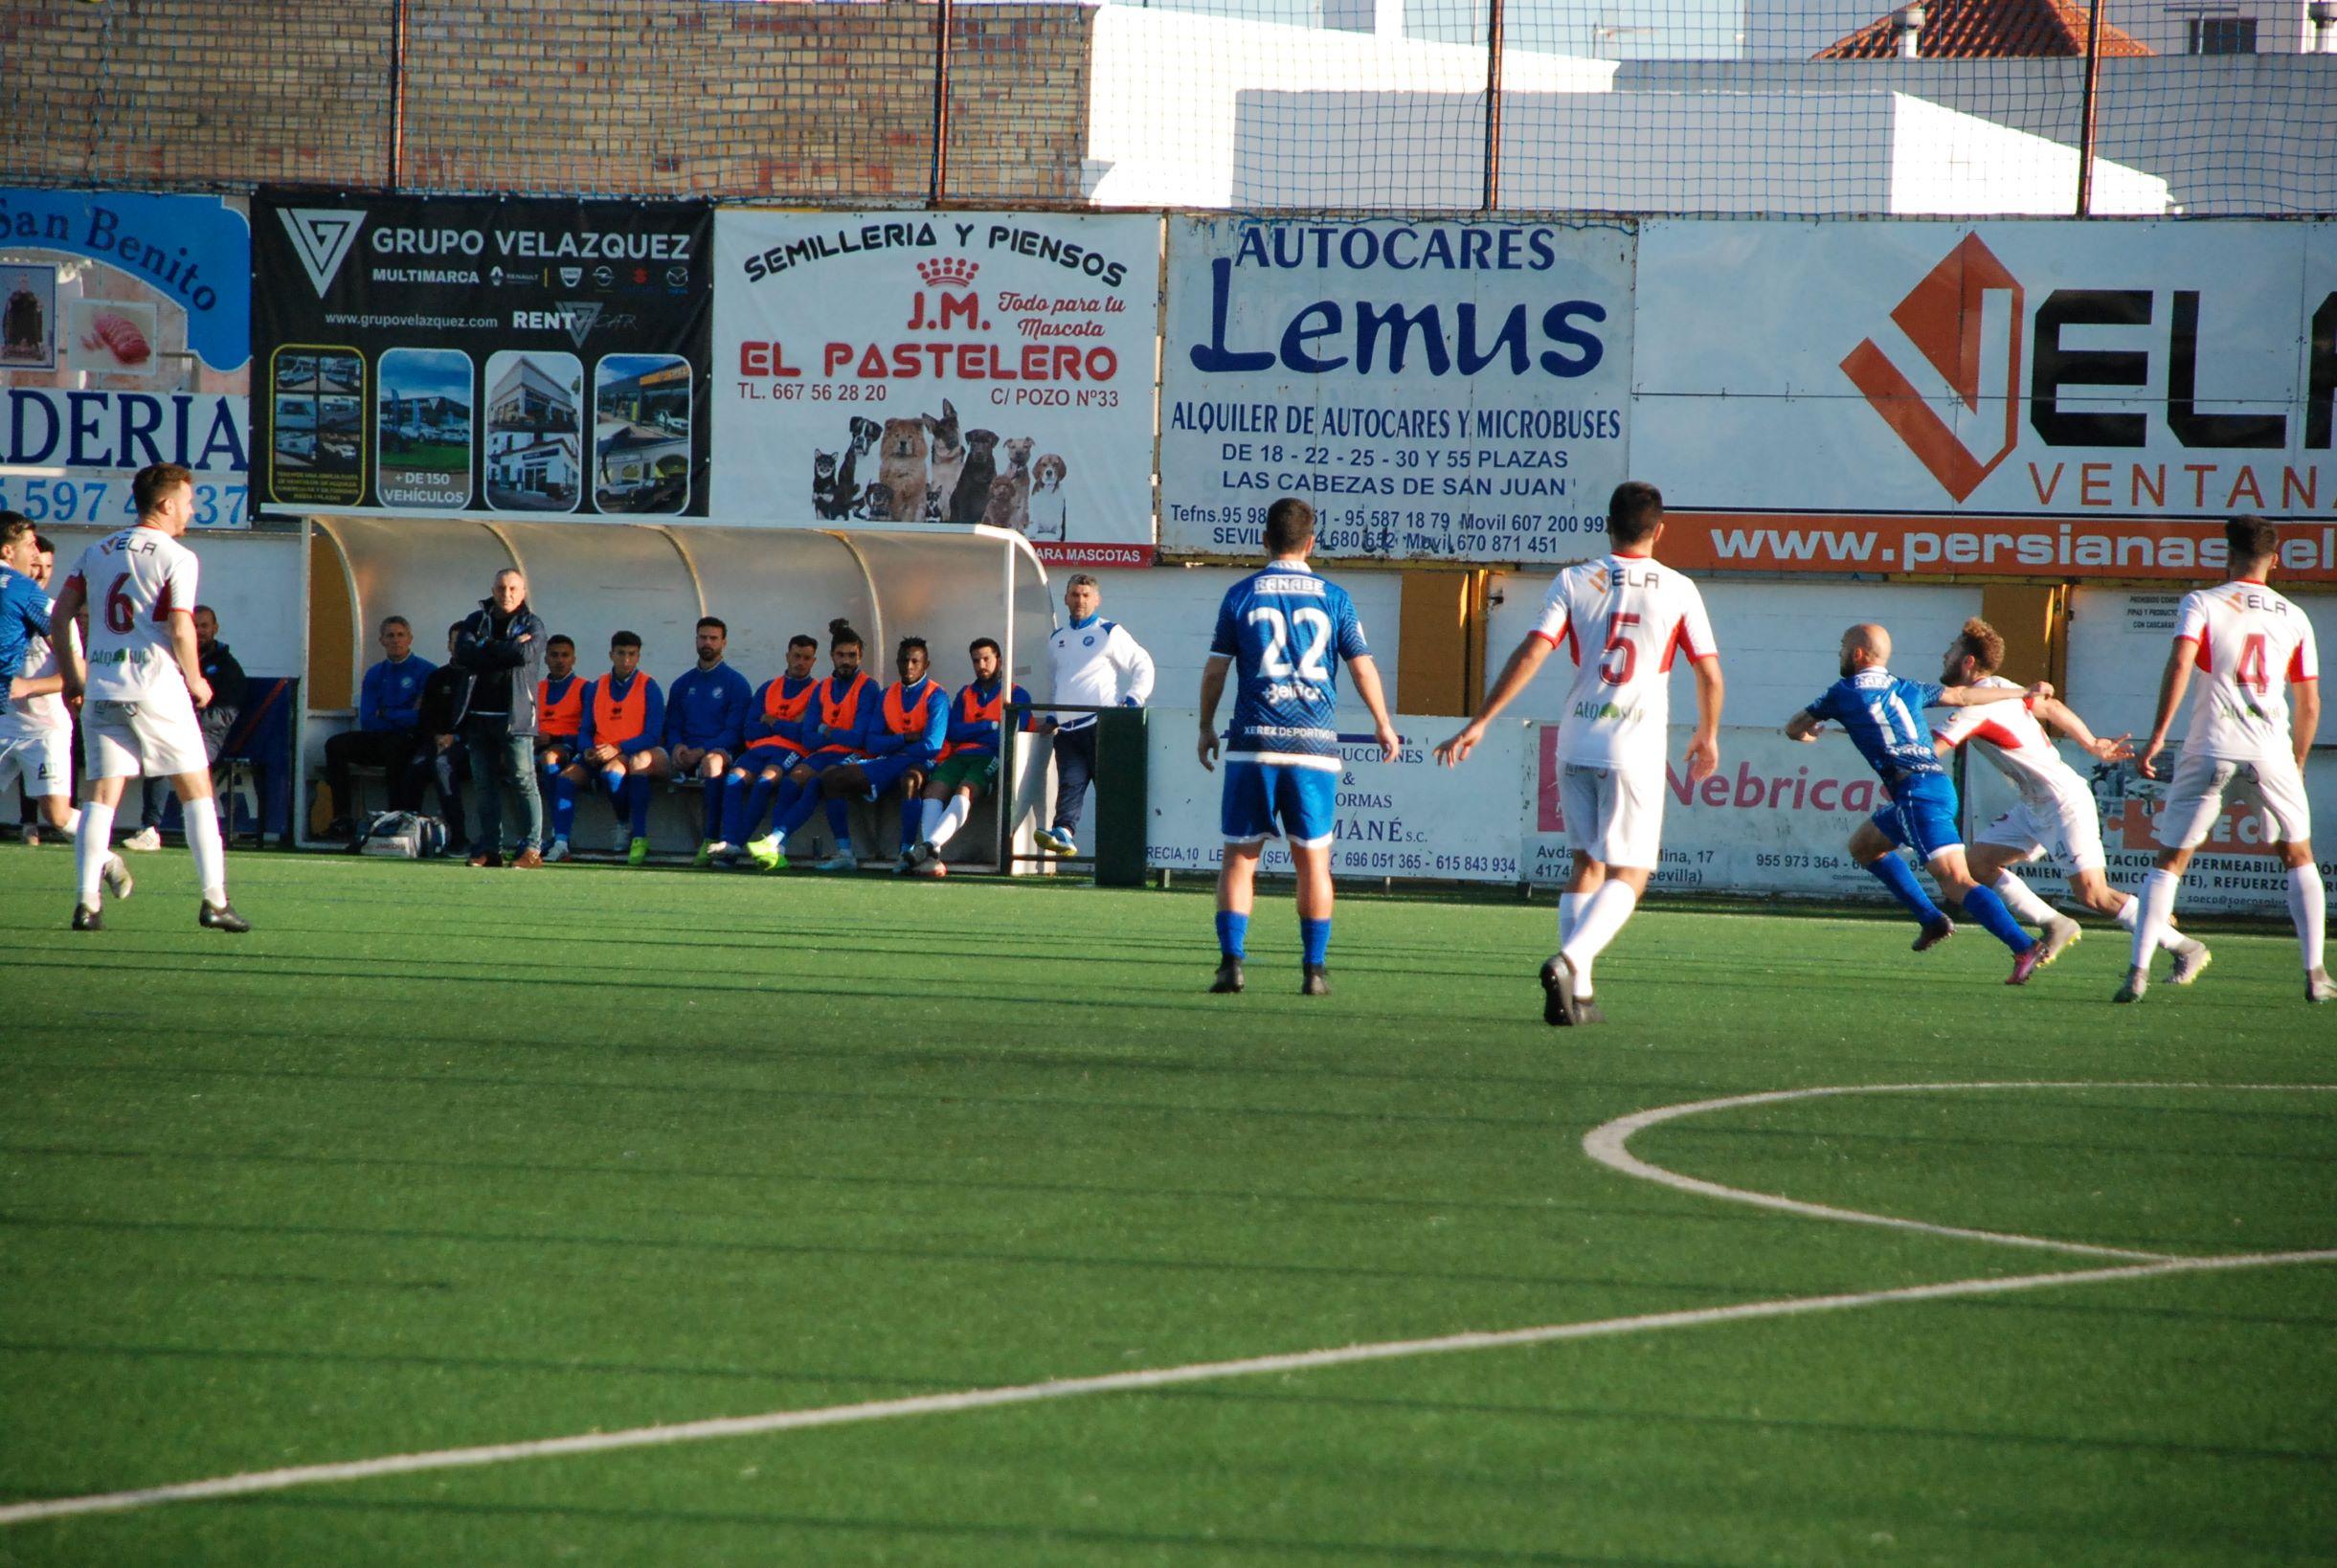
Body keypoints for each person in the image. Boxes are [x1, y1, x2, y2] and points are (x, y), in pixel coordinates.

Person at [1434, 481, 1724, 1025]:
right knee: (1631, 872)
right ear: (1660, 531)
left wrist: (1481, 722)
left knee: (1585, 864)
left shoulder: (1574, 579)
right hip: (1633, 746)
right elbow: (1707, 671)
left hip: (1575, 741)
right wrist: (1708, 734)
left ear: (1606, 525)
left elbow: (1532, 652)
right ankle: (1573, 959)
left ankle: (1580, 996)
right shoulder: (1680, 588)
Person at [2118, 516, 2327, 1004]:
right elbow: (2310, 704)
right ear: (2275, 560)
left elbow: (2181, 665)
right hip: (2270, 752)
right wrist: (2296, 762)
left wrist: (2157, 738)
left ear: (2227, 555)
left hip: (2210, 746)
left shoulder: (2203, 602)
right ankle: (2316, 974)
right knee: (2298, 856)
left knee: (2170, 861)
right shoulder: (2294, 616)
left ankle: (2138, 971)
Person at [1930, 616, 2210, 979]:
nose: (1944, 656)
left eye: (1951, 651)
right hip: (2034, 805)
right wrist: (2090, 742)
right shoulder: (2001, 688)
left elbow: (1933, 749)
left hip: (2063, 802)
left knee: (2094, 895)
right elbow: (2050, 707)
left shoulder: (1977, 708)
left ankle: (2186, 947)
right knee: (1977, 865)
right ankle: (2055, 923)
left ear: (1967, 662)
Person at [1198, 497, 1398, 997]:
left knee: (1240, 858)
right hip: (1313, 743)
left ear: (1264, 540)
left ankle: (1231, 965)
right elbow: (1361, 665)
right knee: (1313, 861)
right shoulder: (1334, 597)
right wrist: (1383, 722)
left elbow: (1217, 668)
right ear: (1311, 542)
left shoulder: (1240, 595)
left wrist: (1205, 726)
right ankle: (1313, 971)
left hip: (1253, 743)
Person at [1785, 623, 2051, 984]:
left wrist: (1808, 733)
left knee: (1956, 881)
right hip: (1933, 786)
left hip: (1915, 793)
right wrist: (2024, 691)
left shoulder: (1843, 692)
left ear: (1858, 654)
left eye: (1844, 647)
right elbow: (1963, 697)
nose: (1841, 654)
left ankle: (2023, 946)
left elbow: (1794, 727)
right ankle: (1932, 920)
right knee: (1865, 847)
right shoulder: (1906, 686)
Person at [50, 462, 246, 930]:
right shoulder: (177, 556)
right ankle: (215, 901)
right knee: (196, 788)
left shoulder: (95, 552)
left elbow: (60, 617)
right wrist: (196, 679)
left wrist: (74, 681)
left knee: (100, 796)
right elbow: (181, 624)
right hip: (156, 685)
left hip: (102, 685)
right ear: (165, 504)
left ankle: (86, 903)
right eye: (188, 502)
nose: (191, 511)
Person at [0, 514, 130, 898]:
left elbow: (78, 674)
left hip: (45, 727)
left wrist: (29, 685)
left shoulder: (53, 614)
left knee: (56, 814)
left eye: (44, 561)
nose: (36, 563)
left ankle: (106, 859)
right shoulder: (16, 595)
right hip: (5, 720)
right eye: (31, 554)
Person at [1035, 572, 1154, 858]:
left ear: (1097, 600)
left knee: (1111, 793)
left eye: (1086, 596)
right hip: (1067, 730)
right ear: (1066, 599)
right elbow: (1057, 681)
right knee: (1070, 785)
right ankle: (1063, 832)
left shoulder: (1109, 632)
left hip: (1101, 726)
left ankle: (1124, 854)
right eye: (1075, 595)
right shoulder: (1057, 638)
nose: (1080, 601)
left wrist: (1134, 698)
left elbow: (1143, 664)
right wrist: (1052, 716)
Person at [817, 636, 947, 873]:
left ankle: (905, 853)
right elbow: (872, 743)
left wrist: (892, 744)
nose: (908, 667)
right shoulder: (887, 694)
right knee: (832, 778)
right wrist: (904, 738)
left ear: (926, 665)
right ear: (896, 662)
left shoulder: (937, 696)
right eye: (904, 660)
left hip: (923, 762)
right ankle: (845, 853)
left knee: (909, 780)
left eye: (915, 661)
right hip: (891, 759)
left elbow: (932, 746)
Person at [906, 636, 1033, 875]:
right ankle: (931, 857)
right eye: (976, 661)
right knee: (933, 790)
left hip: (991, 757)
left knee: (965, 790)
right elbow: (954, 732)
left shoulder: (1017, 694)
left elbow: (1008, 737)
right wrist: (989, 726)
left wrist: (977, 732)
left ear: (1000, 660)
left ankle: (929, 847)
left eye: (986, 659)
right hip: (960, 755)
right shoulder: (966, 693)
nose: (981, 665)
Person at [124, 603, 247, 850]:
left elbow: (225, 714)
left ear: (215, 629)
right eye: (194, 625)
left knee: (165, 754)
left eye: (204, 626)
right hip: (163, 727)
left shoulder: (227, 667)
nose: (199, 631)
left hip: (207, 737)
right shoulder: (169, 656)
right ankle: (125, 827)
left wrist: (186, 722)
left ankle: (154, 828)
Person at [450, 567, 548, 869]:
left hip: (515, 717)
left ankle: (531, 849)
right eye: (501, 588)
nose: (507, 594)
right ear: (493, 590)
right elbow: (463, 653)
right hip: (478, 718)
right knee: (484, 785)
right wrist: (502, 648)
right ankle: (490, 848)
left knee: (523, 780)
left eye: (513, 589)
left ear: (523, 592)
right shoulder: (475, 620)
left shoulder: (532, 622)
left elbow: (523, 656)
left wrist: (487, 647)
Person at [764, 619, 878, 872]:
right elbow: (808, 738)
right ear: (832, 656)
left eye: (851, 655)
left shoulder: (868, 688)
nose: (846, 661)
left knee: (821, 781)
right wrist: (832, 734)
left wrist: (826, 730)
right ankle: (778, 851)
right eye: (840, 655)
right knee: (793, 779)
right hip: (824, 753)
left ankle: (843, 851)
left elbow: (858, 739)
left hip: (855, 756)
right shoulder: (823, 687)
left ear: (860, 657)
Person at [324, 615, 435, 839]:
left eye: (400, 635)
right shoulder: (375, 673)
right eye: (390, 636)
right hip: (380, 736)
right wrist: (401, 713)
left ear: (410, 639)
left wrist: (386, 712)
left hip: (410, 739)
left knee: (398, 749)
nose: (396, 640)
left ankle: (395, 819)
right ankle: (342, 818)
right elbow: (368, 718)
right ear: (382, 640)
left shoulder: (426, 671)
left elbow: (421, 718)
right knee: (335, 745)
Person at [565, 629, 667, 865]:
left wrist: (618, 748)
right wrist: (586, 748)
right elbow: (586, 728)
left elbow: (653, 735)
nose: (626, 660)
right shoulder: (596, 686)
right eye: (621, 653)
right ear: (611, 654)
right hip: (600, 752)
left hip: (629, 752)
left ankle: (628, 826)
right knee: (565, 777)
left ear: (639, 656)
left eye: (632, 654)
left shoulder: (649, 686)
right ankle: (559, 839)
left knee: (613, 772)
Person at [721, 632, 820, 868]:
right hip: (759, 749)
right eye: (796, 656)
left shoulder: (817, 691)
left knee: (765, 781)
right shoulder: (769, 687)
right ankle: (728, 840)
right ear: (787, 656)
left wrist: (773, 721)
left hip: (792, 751)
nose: (801, 662)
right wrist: (788, 724)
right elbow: (750, 730)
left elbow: (803, 735)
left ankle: (734, 845)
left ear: (814, 661)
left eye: (807, 658)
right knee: (733, 780)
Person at [663, 616, 752, 865]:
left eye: (713, 638)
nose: (707, 643)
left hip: (720, 753)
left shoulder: (736, 683)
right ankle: (634, 835)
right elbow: (673, 724)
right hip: (685, 754)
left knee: (712, 763)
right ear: (695, 640)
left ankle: (709, 840)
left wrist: (702, 751)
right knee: (642, 761)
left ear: (724, 643)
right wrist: (677, 745)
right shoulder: (682, 684)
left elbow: (734, 733)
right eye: (703, 637)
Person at [412, 622, 472, 852]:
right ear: (448, 645)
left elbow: (480, 722)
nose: (459, 647)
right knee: (415, 766)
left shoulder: (481, 678)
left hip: (469, 746)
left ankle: (459, 837)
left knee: (442, 765)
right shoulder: (437, 677)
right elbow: (425, 716)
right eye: (455, 642)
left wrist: (455, 738)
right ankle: (410, 832)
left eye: (465, 643)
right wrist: (437, 737)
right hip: (436, 742)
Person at [534, 634, 584, 861]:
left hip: (567, 746)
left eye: (565, 655)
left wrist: (555, 736)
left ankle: (557, 831)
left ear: (574, 659)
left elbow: (589, 728)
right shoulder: (536, 688)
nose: (559, 660)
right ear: (545, 658)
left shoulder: (584, 688)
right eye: (554, 655)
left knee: (549, 758)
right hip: (537, 745)